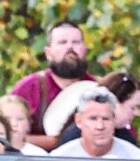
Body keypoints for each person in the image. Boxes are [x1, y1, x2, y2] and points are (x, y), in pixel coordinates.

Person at [9, 22, 94, 151]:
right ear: (48, 53)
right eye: (62, 42)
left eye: (76, 42)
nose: (70, 47)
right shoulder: (29, 87)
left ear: (85, 50)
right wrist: (53, 142)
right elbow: (4, 133)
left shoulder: (97, 88)